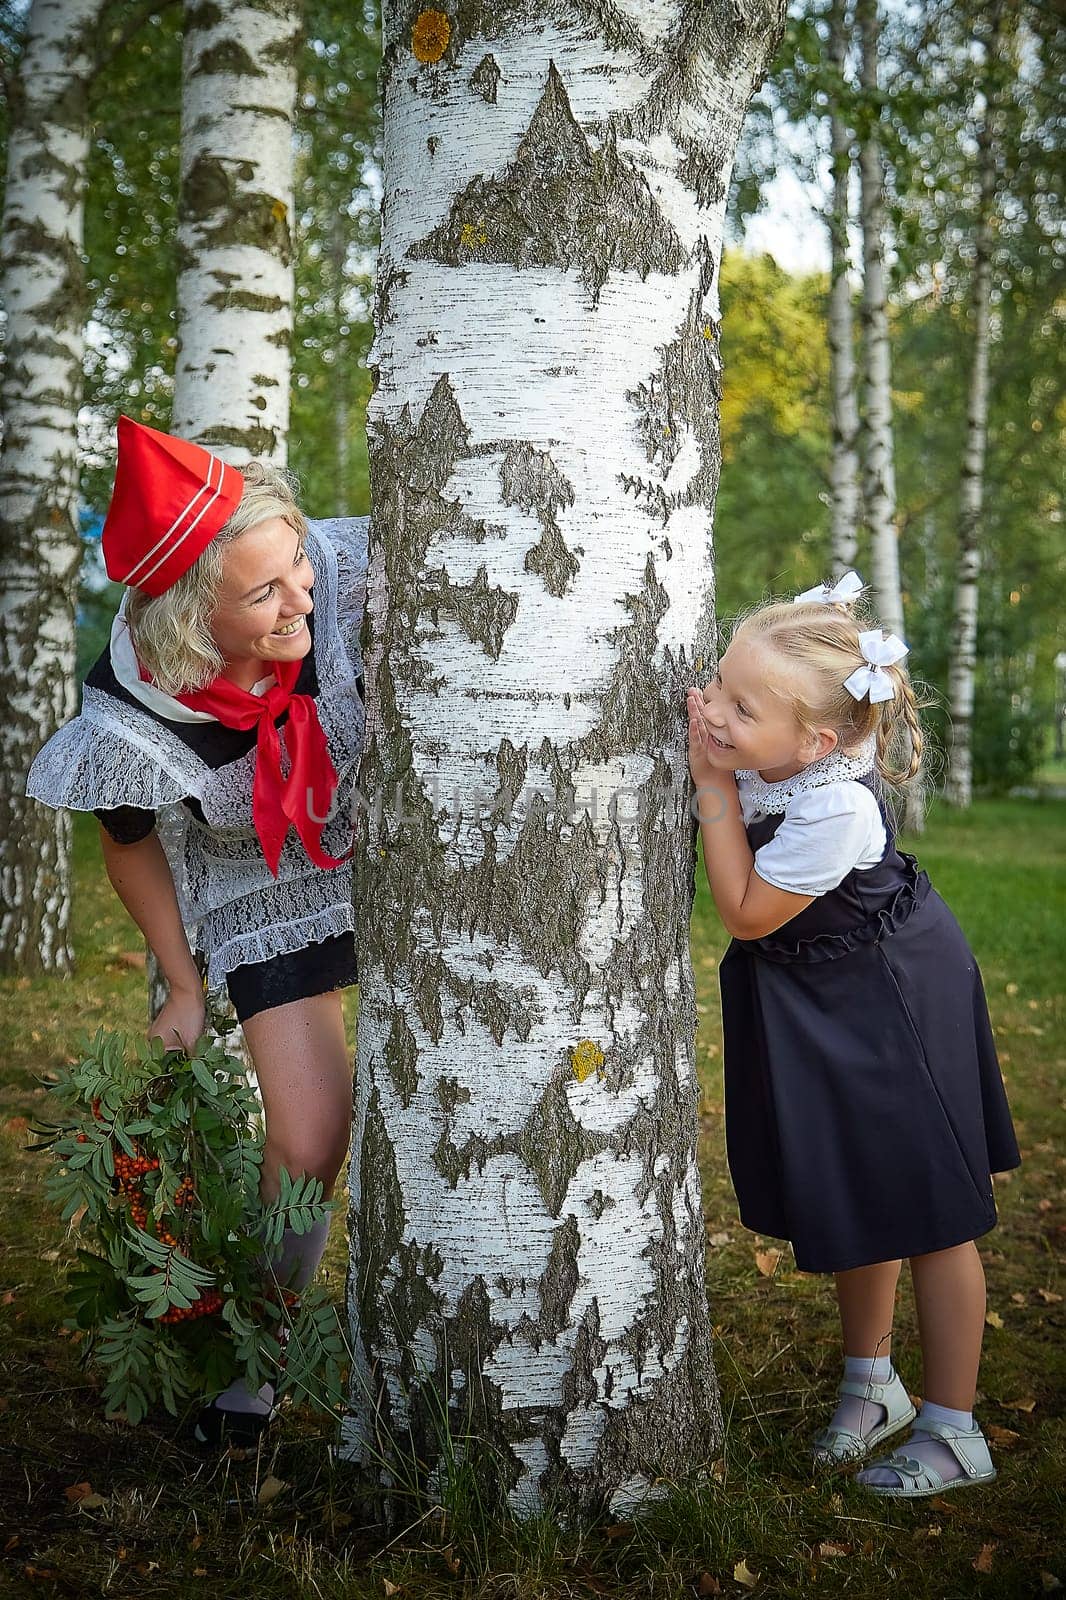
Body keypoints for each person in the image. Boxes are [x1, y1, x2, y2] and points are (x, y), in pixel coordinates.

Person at [27, 416, 368, 1445]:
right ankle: (257, 1367)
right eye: (264, 592)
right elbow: (127, 839)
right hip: (265, 877)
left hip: (403, 841)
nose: (300, 596)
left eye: (296, 561)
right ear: (187, 615)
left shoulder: (354, 578)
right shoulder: (136, 707)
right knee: (308, 1134)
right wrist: (181, 982)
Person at [685, 572, 1019, 1500]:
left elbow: (747, 912)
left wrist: (712, 786)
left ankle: (957, 1429)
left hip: (891, 998)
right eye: (718, 683)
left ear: (816, 740)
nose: (710, 709)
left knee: (933, 1210)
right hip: (825, 990)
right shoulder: (779, 750)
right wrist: (731, 750)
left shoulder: (836, 806)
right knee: (862, 1188)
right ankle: (873, 1385)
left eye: (738, 706)